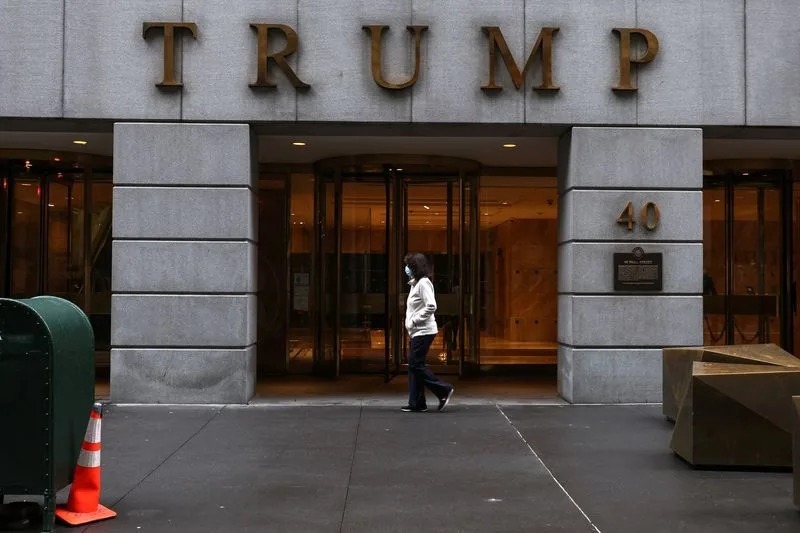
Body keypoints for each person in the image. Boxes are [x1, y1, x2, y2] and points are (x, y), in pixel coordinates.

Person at [401, 253, 455, 413]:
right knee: (414, 366)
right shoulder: (415, 283)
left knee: (415, 364)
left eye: (409, 266)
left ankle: (443, 389)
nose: (406, 269)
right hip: (417, 332)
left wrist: (414, 321)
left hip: (423, 331)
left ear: (415, 267)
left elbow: (431, 306)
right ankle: (417, 402)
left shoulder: (424, 283)